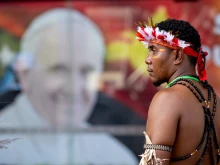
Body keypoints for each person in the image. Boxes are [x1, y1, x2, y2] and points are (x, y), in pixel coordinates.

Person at [0, 8, 138, 165]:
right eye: (59, 69)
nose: (73, 89)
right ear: (25, 75)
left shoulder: (114, 156)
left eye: (86, 72)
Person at [136, 18, 220, 165]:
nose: (147, 60)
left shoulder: (167, 99)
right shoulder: (216, 100)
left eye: (154, 50)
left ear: (177, 56)